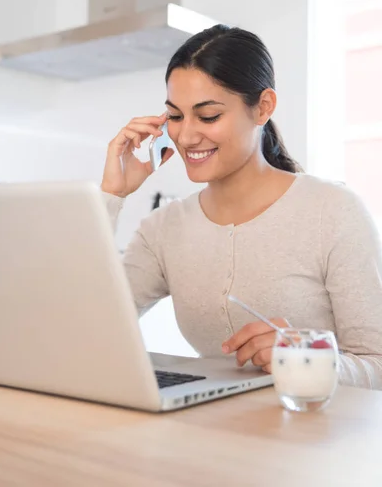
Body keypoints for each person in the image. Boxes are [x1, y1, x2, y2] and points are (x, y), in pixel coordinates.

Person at [101, 24, 382, 389]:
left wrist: (306, 360)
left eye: (208, 116)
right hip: (215, 434)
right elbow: (90, 328)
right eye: (174, 116)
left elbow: (377, 366)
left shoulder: (333, 211)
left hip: (317, 439)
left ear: (263, 107)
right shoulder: (164, 229)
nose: (185, 136)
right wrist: (112, 195)